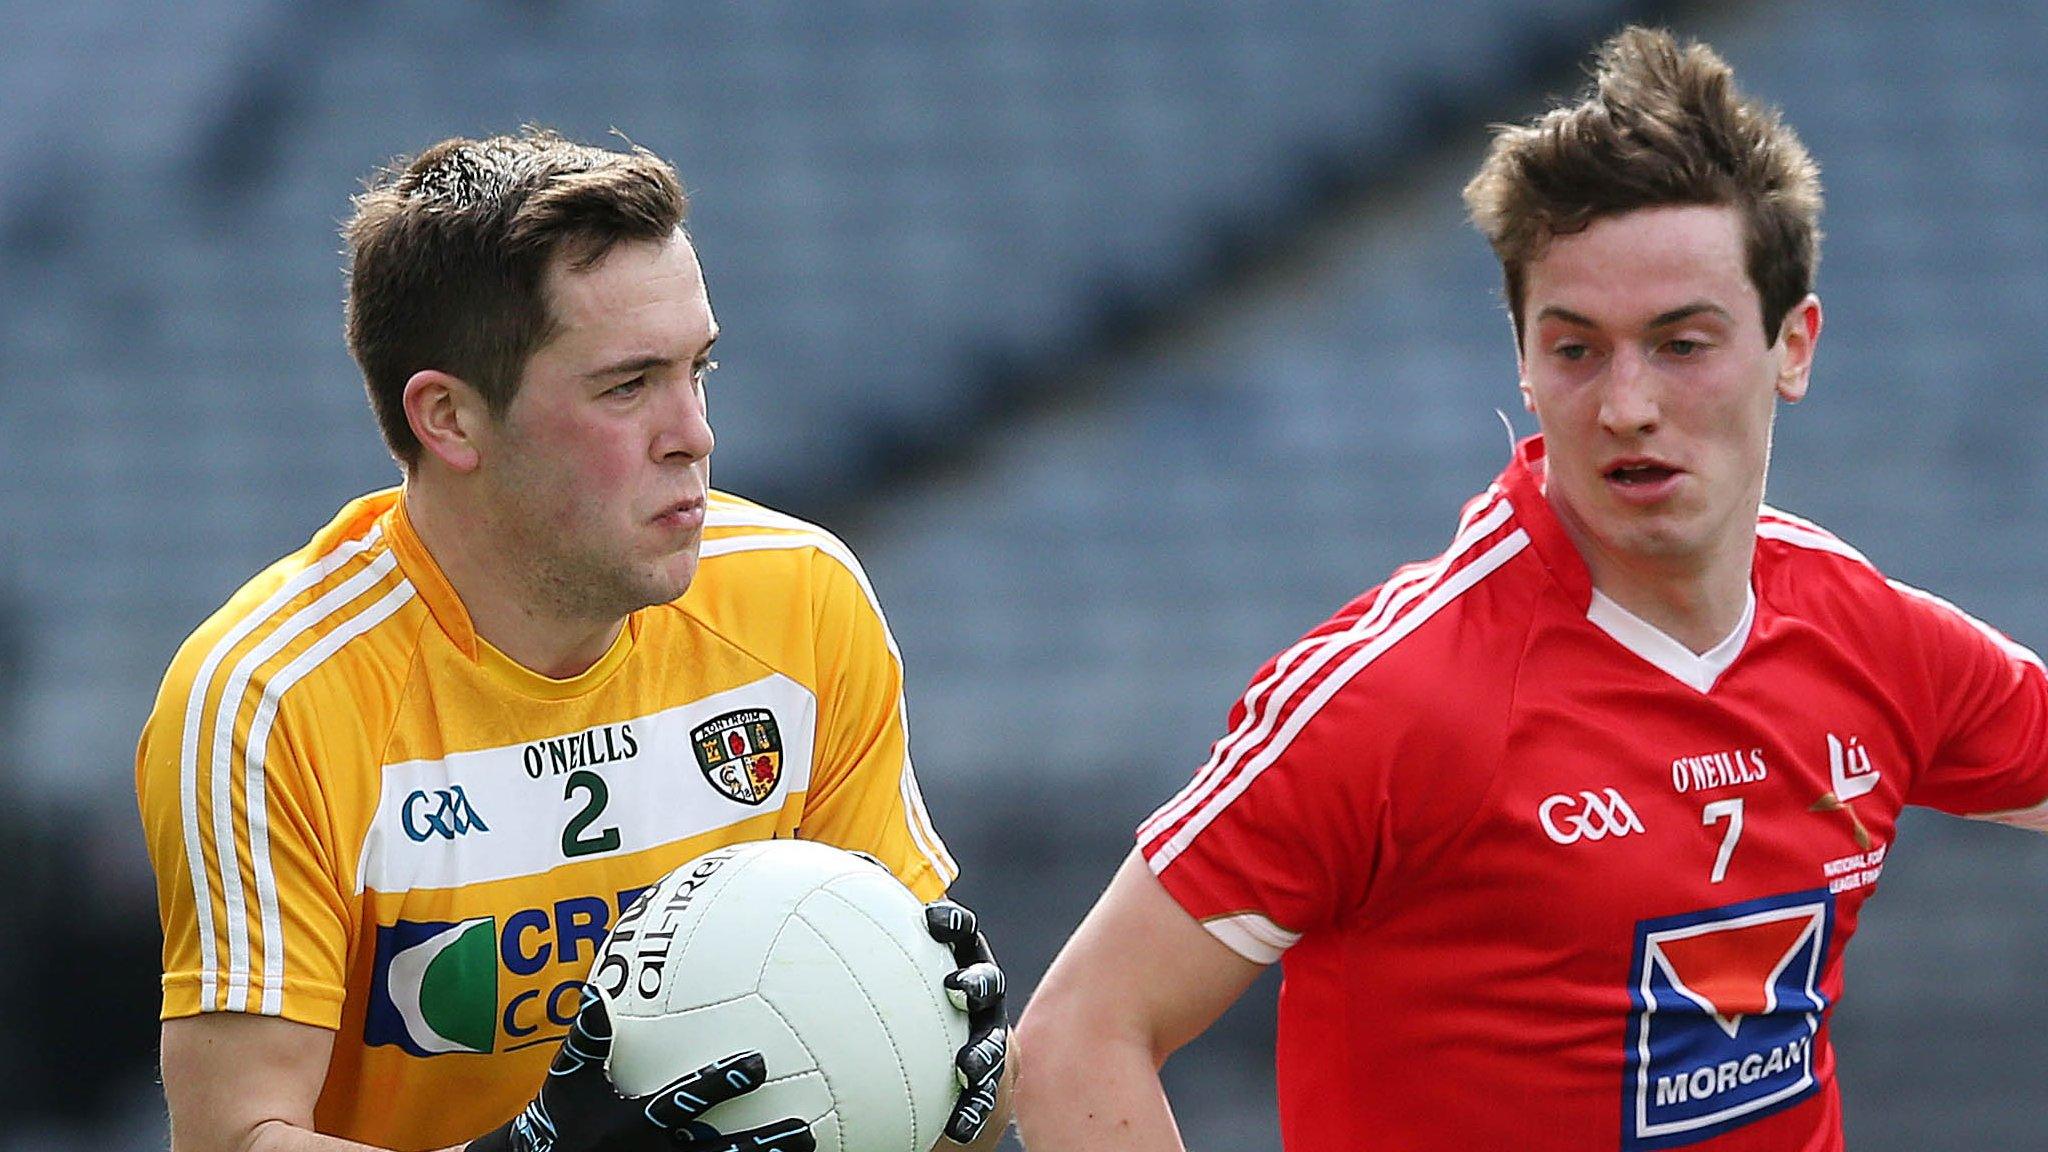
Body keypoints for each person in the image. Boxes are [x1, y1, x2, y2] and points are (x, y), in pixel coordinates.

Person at [1015, 26, 2048, 1152]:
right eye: (1574, 349)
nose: (1624, 405)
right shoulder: (1398, 698)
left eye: (1680, 343)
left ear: (1790, 346)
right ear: (1519, 355)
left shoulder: (1869, 638)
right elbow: (1075, 1037)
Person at [135, 129, 1008, 1152]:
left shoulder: (801, 601)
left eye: (699, 369)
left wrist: (952, 1085)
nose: (694, 432)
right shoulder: (269, 698)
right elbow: (235, 1135)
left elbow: (922, 1119)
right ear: (450, 418)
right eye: (627, 385)